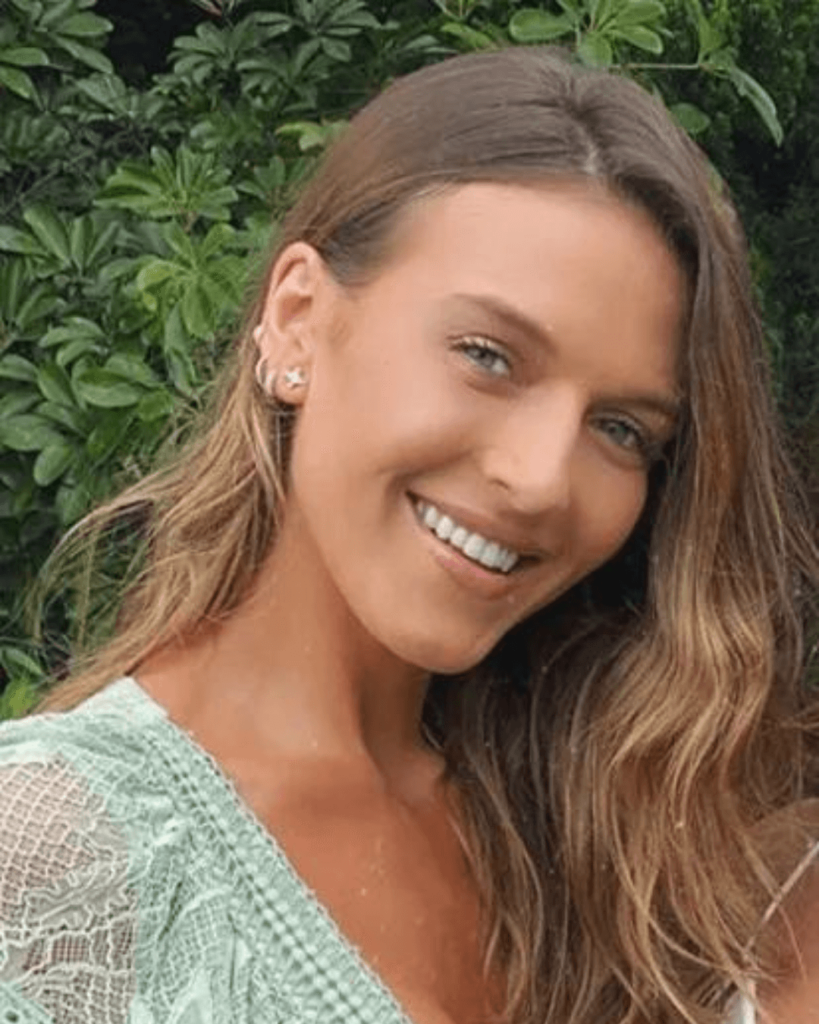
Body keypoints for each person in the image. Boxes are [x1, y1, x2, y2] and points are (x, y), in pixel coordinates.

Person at [0, 45, 817, 1024]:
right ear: (297, 318)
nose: (540, 478)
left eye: (620, 429)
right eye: (487, 356)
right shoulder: (53, 857)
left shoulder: (612, 845)